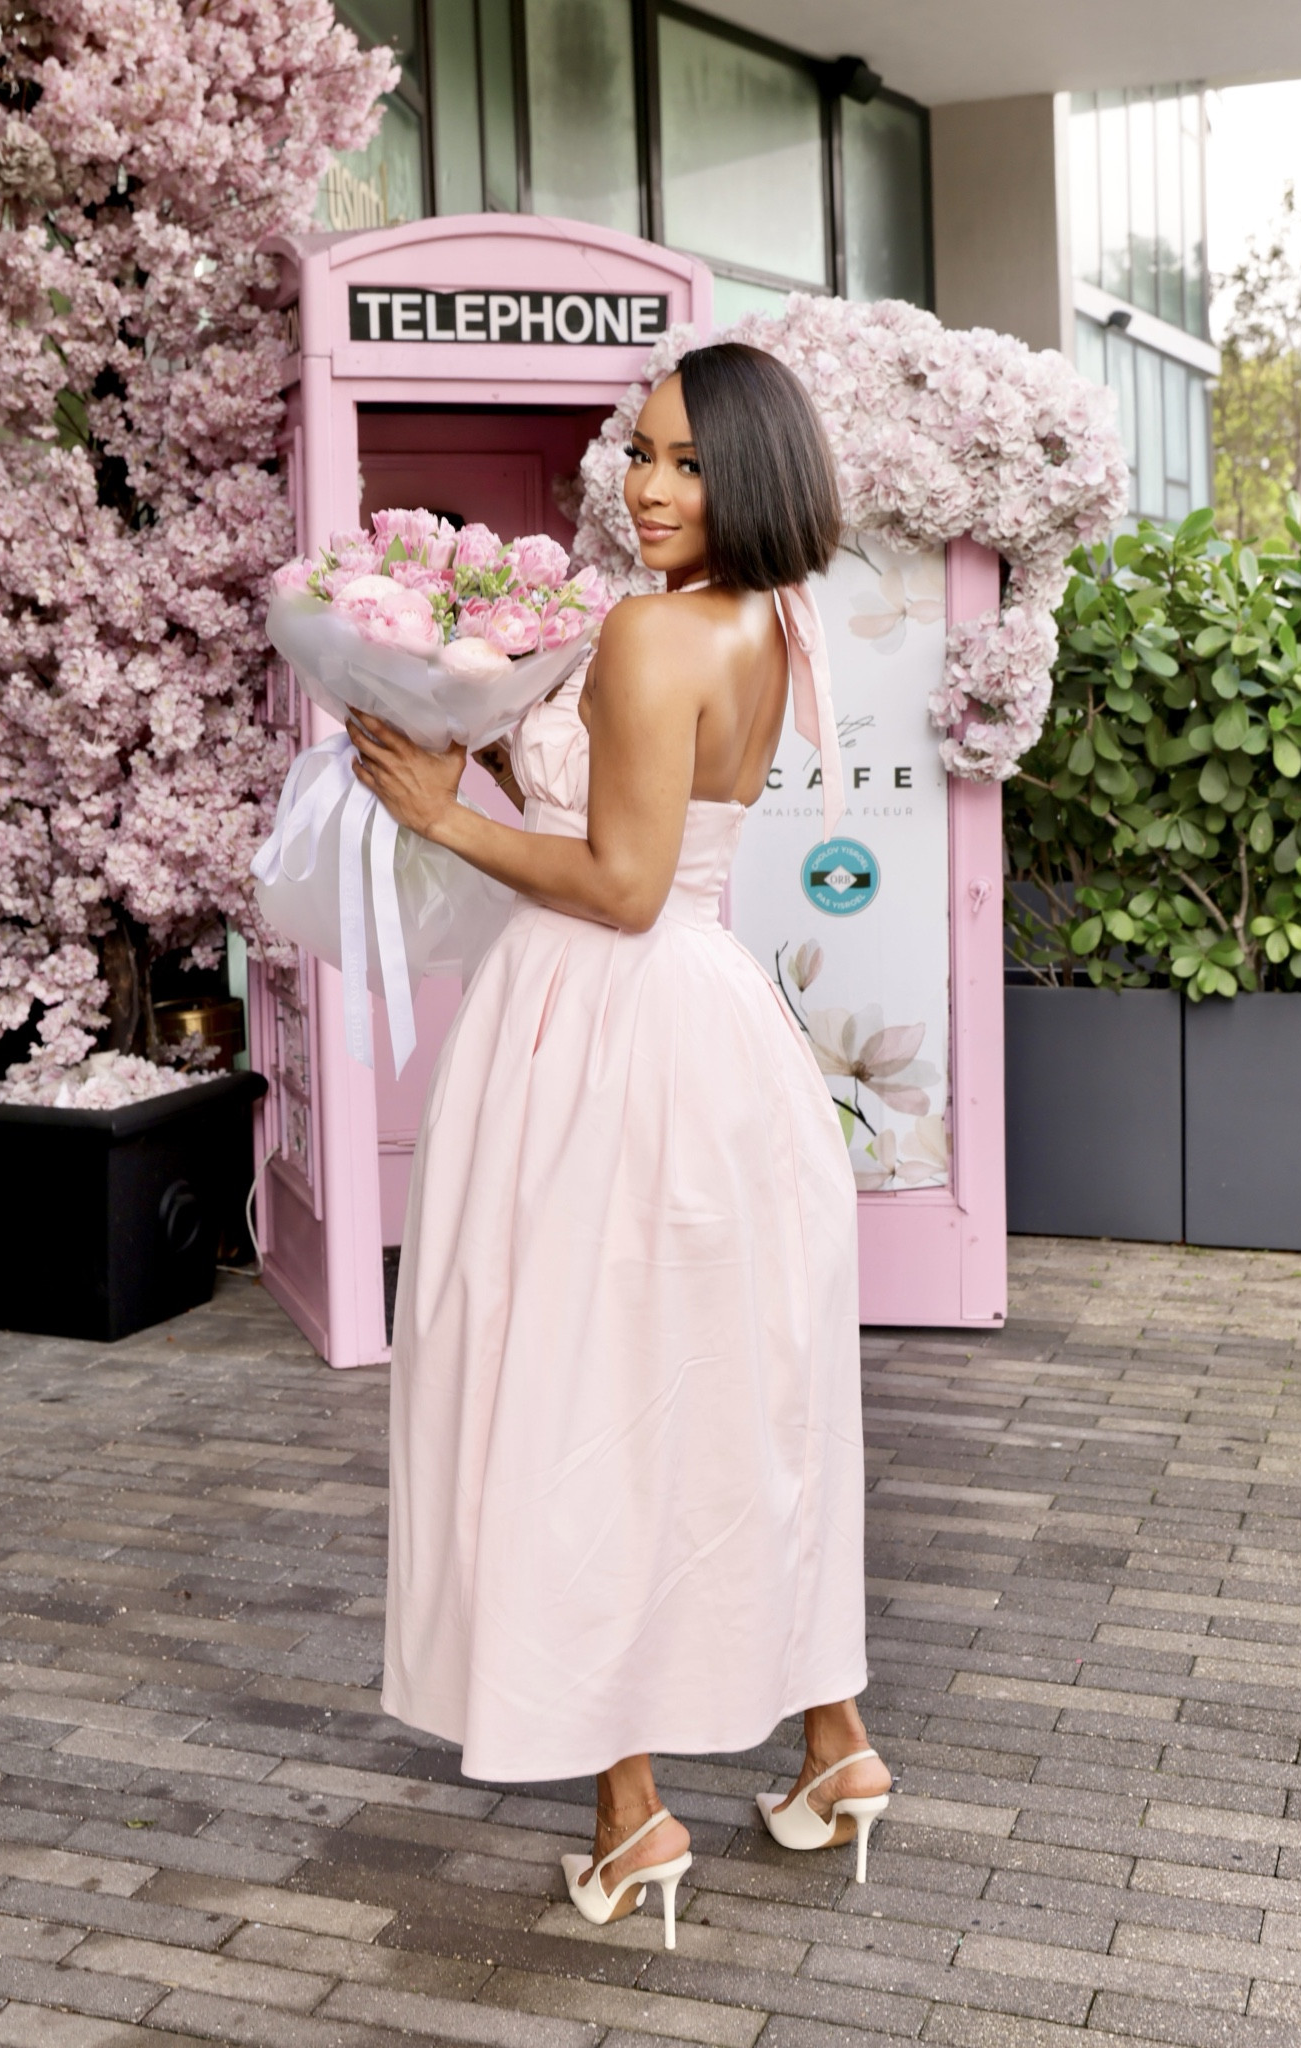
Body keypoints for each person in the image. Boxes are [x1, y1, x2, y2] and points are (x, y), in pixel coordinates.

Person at [347, 342, 891, 1950]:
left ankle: (628, 1807)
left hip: (607, 1030)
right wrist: (484, 722)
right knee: (740, 1393)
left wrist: (438, 811)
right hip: (715, 1041)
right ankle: (832, 1744)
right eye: (640, 455)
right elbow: (642, 835)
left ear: (756, 476)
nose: (647, 488)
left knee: (582, 1393)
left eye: (688, 464)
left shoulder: (656, 633)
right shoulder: (766, 621)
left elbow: (619, 887)